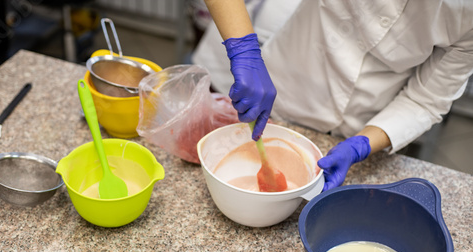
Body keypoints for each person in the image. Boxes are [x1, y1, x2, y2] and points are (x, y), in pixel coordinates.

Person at [199, 0, 473, 190]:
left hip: (364, 121)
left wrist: (362, 144)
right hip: (286, 89)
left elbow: (426, 100)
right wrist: (244, 49)